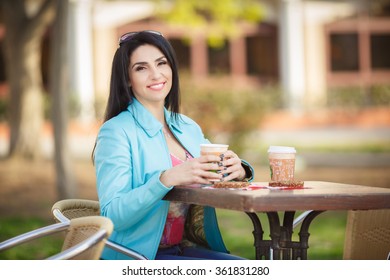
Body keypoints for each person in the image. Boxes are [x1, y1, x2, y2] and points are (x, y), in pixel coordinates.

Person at [93, 30, 254, 260]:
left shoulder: (187, 127)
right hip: (136, 257)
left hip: (182, 248)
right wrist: (166, 179)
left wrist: (238, 170)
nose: (156, 74)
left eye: (161, 63)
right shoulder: (116, 132)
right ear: (127, 78)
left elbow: (213, 170)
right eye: (141, 68)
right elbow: (113, 215)